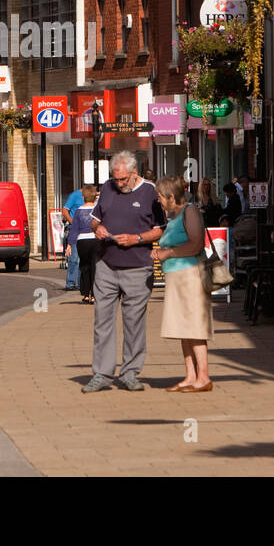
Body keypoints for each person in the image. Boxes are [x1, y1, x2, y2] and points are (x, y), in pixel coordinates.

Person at [82, 150, 166, 393]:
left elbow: (160, 229)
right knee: (102, 321)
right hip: (106, 263)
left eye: (123, 179)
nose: (119, 184)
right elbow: (94, 218)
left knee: (134, 322)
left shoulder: (150, 192)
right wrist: (97, 227)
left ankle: (130, 372)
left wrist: (137, 238)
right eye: (115, 179)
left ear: (134, 173)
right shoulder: (107, 188)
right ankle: (101, 373)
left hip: (138, 266)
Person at [149, 176, 213, 392]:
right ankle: (190, 376)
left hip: (190, 274)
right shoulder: (175, 214)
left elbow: (195, 244)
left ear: (171, 197)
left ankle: (203, 377)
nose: (158, 200)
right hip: (177, 276)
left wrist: (167, 253)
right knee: (182, 328)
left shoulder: (190, 211)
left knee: (194, 327)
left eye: (159, 196)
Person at [66, 184, 99, 299]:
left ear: (84, 197)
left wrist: (69, 244)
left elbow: (74, 229)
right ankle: (94, 295)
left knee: (84, 266)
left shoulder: (78, 211)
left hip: (82, 241)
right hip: (95, 240)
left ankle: (85, 293)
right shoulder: (97, 209)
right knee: (95, 267)